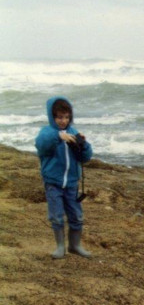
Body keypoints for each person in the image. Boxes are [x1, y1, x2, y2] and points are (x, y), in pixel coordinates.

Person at [35, 96, 93, 259]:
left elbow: (85, 157)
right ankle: (60, 246)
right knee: (56, 215)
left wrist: (84, 145)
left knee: (76, 215)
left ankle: (75, 245)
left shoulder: (73, 132)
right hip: (53, 183)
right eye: (60, 117)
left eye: (67, 117)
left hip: (72, 184)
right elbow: (41, 146)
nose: (63, 121)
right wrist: (58, 137)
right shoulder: (47, 132)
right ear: (52, 117)